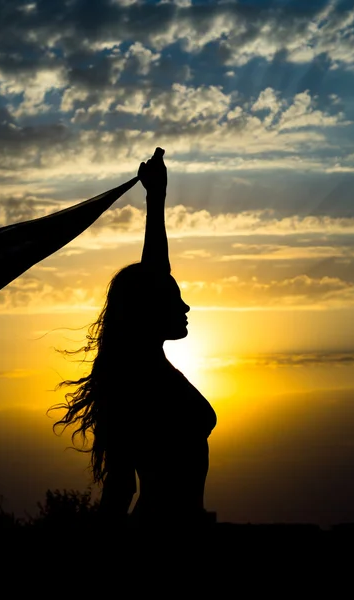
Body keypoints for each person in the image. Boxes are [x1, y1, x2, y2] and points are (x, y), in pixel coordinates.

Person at [52, 147, 217, 530]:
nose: (187, 307)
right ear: (149, 310)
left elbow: (156, 273)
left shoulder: (143, 372)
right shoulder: (135, 382)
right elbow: (121, 487)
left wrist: (156, 196)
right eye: (175, 299)